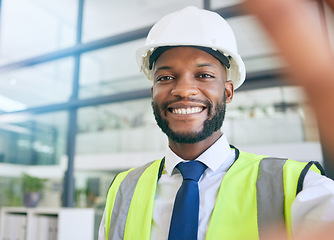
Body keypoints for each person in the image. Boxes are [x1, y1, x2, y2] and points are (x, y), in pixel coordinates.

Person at [98, 6, 334, 240]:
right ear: (153, 92)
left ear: (228, 91)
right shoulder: (122, 189)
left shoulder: (294, 184)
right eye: (166, 77)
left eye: (204, 75)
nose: (183, 90)